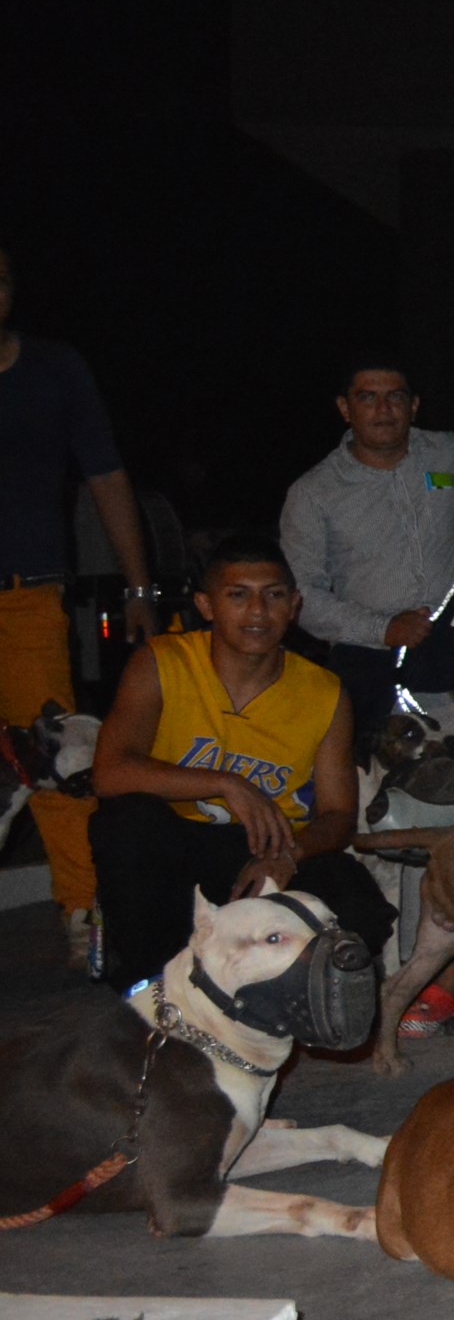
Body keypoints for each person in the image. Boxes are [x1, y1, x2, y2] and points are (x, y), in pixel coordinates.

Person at [86, 531, 392, 993]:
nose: (257, 612)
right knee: (126, 822)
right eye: (238, 596)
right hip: (175, 842)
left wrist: (288, 857)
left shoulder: (324, 691)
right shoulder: (162, 662)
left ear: (294, 606)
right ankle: (149, 985)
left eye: (273, 597)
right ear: (207, 606)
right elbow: (108, 774)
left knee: (358, 906)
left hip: (265, 847)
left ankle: (281, 993)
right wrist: (228, 783)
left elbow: (337, 815)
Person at [0, 244, 161, 957]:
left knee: (55, 762)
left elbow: (107, 477)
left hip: (26, 598)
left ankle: (81, 910)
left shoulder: (54, 367)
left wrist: (137, 585)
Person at [280, 355, 454, 752]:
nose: (383, 410)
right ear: (345, 409)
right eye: (367, 397)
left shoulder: (447, 452)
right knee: (374, 778)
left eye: (395, 397)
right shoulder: (313, 492)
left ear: (413, 405)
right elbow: (299, 596)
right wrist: (383, 628)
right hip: (369, 654)